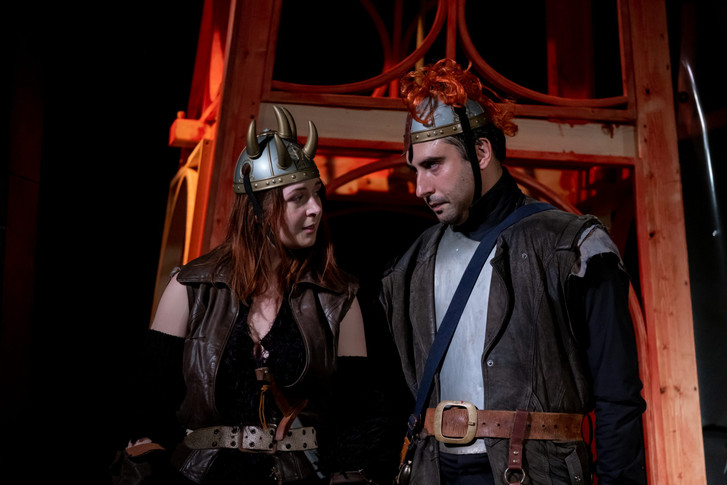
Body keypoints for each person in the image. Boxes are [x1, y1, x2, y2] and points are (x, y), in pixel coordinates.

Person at [379, 59, 647, 485]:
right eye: (415, 169)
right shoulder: (411, 266)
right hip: (433, 473)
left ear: (481, 152)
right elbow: (391, 399)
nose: (420, 188)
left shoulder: (573, 247)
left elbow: (618, 399)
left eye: (434, 165)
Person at [111, 106, 382, 484]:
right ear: (258, 209)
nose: (316, 209)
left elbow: (357, 419)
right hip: (198, 478)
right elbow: (147, 409)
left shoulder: (338, 299)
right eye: (298, 197)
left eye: (316, 194)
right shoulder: (190, 289)